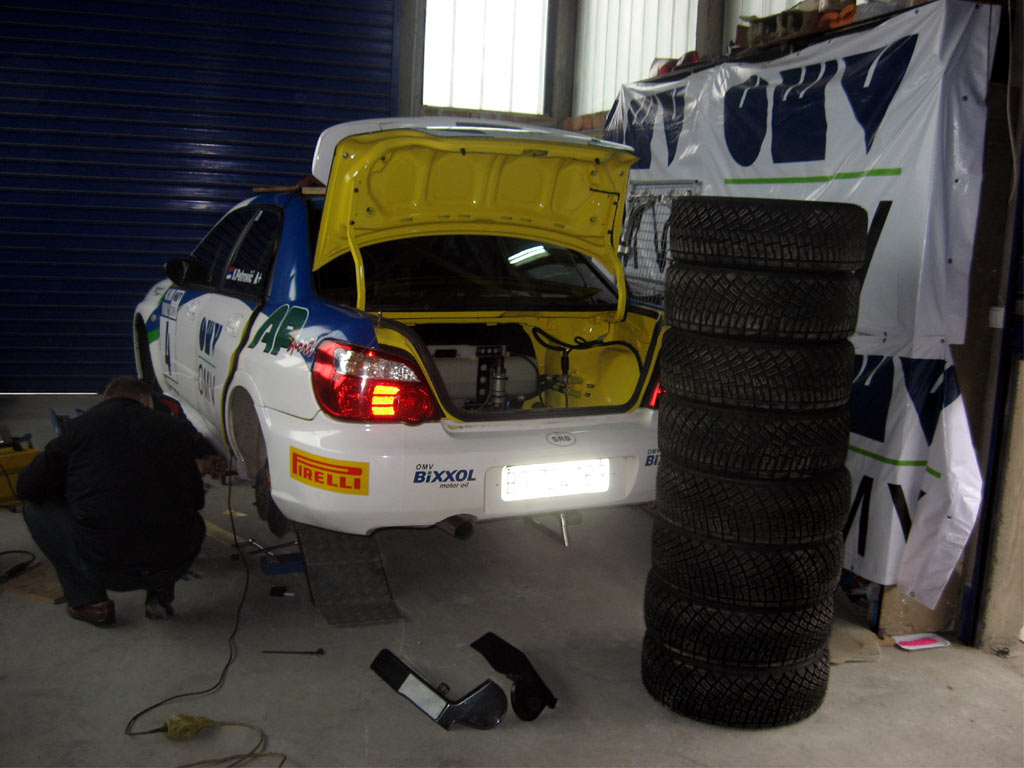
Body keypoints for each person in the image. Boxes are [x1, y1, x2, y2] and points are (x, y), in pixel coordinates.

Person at [17, 376, 226, 626]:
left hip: (105, 566)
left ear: (106, 401)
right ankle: (160, 586)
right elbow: (196, 502)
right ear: (145, 400)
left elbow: (26, 486)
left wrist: (73, 488)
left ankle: (91, 603)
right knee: (169, 506)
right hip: (175, 561)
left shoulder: (78, 429)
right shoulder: (175, 428)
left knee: (35, 507)